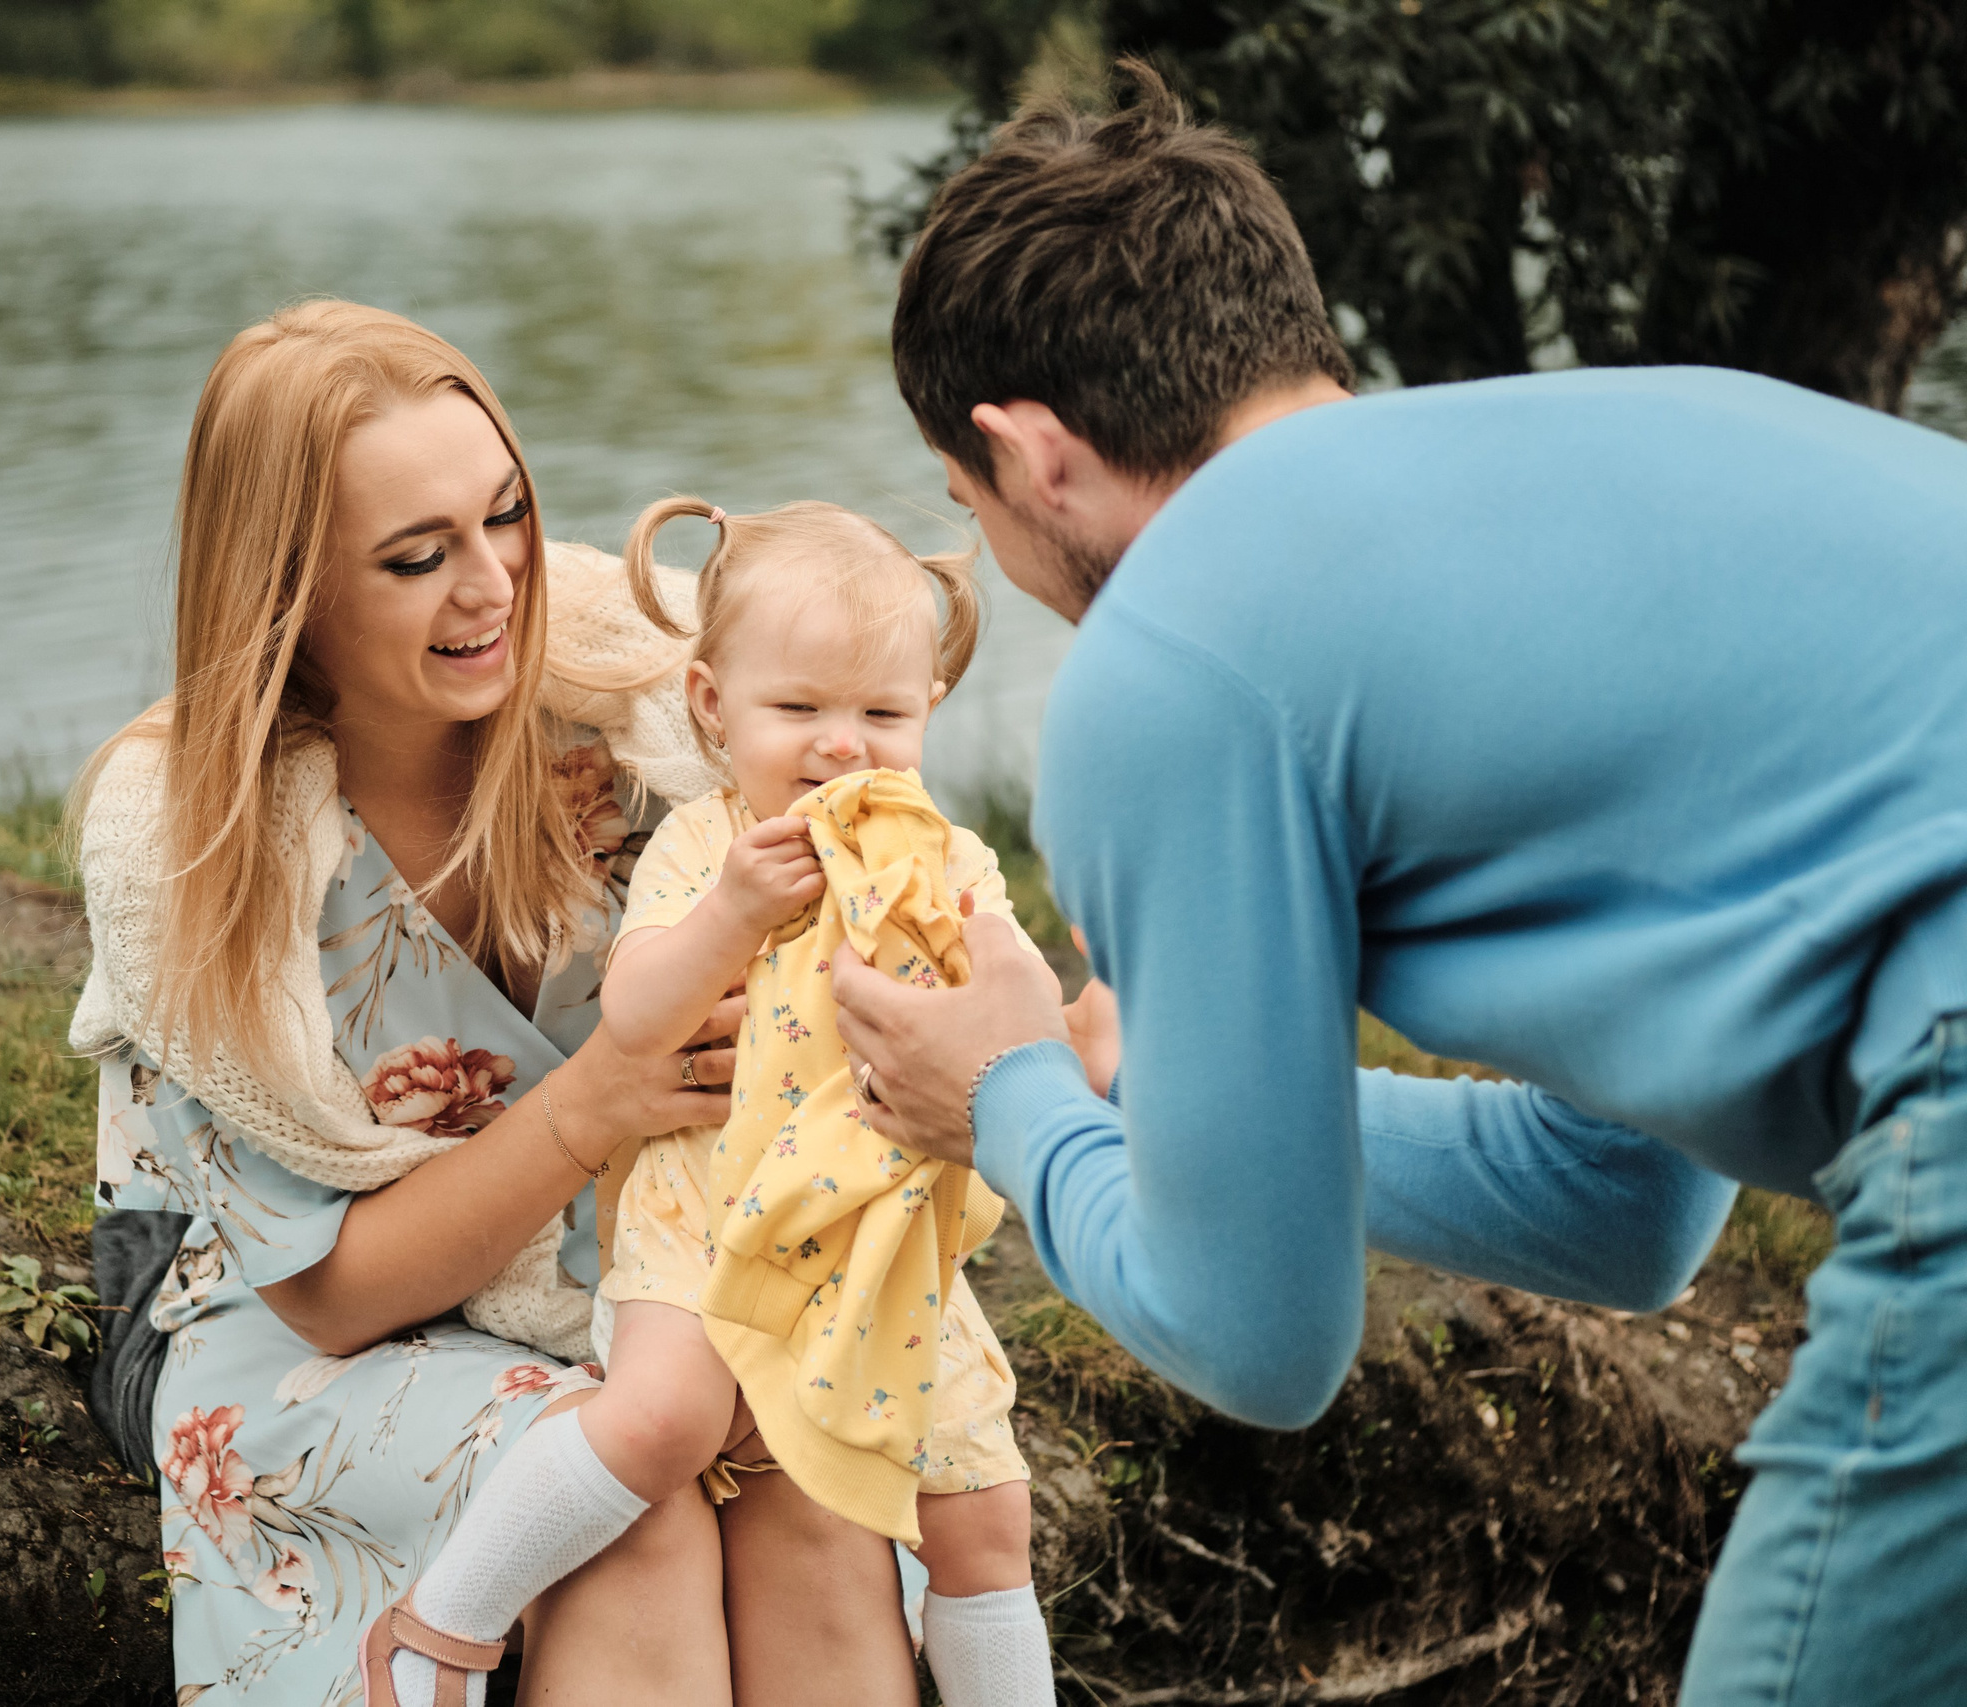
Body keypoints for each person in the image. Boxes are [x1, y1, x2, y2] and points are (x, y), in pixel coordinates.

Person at [828, 65, 1967, 1707]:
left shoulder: (1177, 653)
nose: (1002, 560)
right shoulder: (1608, 453)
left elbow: (1260, 1343)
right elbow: (1631, 1208)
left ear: (1030, 453)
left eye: (968, 506)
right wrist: (1156, 1093)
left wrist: (1003, 1095)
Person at [69, 301, 932, 1706]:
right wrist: (598, 1099)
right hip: (278, 1309)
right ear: (290, 594)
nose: (496, 587)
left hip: (612, 1265)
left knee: (811, 1465)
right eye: (417, 557)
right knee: (619, 1498)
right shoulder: (199, 843)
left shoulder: (621, 724)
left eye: (507, 516)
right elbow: (326, 1293)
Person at [357, 496, 1053, 1707]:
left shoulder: (951, 864)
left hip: (882, 1247)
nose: (845, 749)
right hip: (708, 1218)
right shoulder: (704, 844)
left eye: (882, 715)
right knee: (666, 1418)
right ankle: (441, 1626)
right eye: (800, 712)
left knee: (988, 1513)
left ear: (928, 713)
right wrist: (731, 913)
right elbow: (633, 1018)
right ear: (709, 707)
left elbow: (1011, 1017)